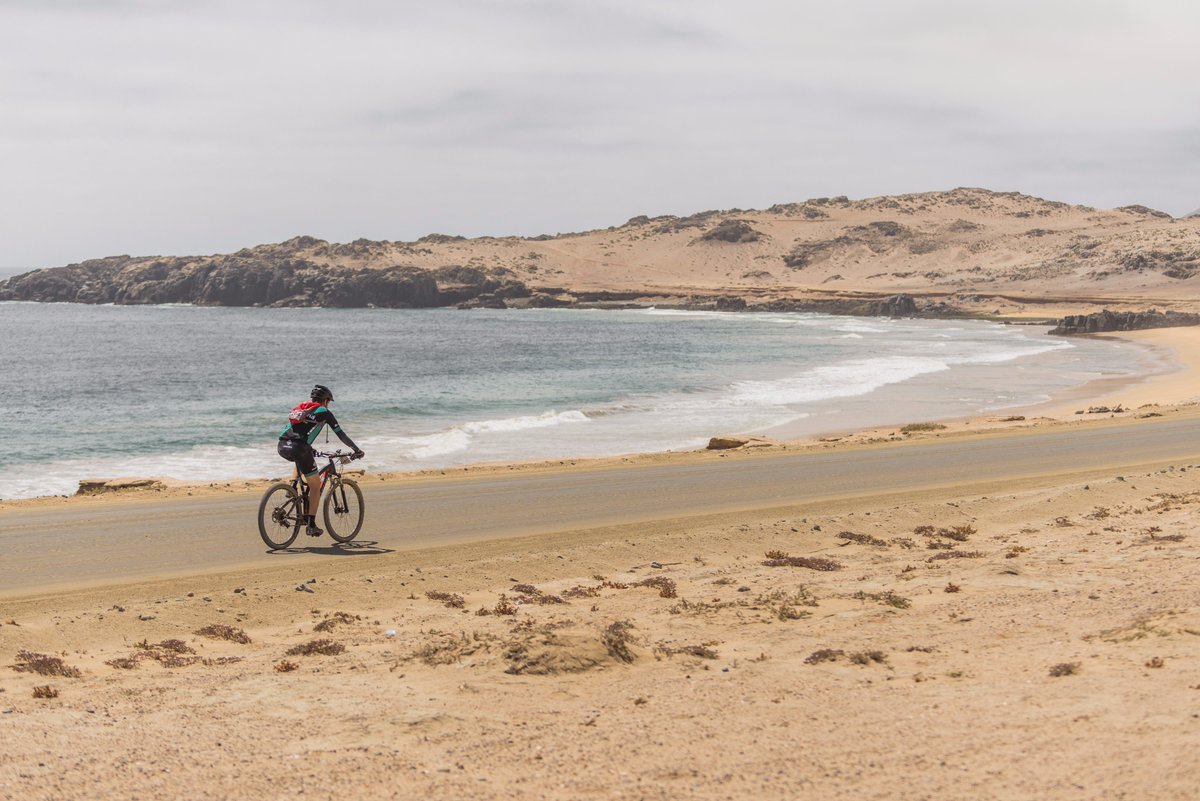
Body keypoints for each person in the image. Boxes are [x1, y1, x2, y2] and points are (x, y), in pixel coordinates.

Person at [277, 384, 364, 537]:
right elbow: (340, 434)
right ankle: (311, 525)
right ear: (325, 401)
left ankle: (292, 487)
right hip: (300, 447)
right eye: (328, 402)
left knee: (301, 457)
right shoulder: (325, 412)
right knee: (315, 486)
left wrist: (309, 449)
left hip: (282, 445)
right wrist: (356, 449)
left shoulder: (301, 408)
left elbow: (297, 433)